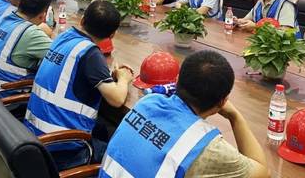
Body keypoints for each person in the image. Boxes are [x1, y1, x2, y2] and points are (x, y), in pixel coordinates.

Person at [100, 50, 269, 178]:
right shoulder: (207, 147)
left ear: (177, 80)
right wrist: (235, 117)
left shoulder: (148, 101)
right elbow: (262, 173)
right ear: (222, 101)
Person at [24, 1, 134, 171]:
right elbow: (117, 99)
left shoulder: (64, 37)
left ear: (82, 21)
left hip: (33, 133)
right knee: (124, 157)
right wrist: (124, 79)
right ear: (112, 35)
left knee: (102, 128)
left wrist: (106, 76)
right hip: (62, 148)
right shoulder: (90, 54)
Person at [0, 0, 53, 90]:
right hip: (10, 93)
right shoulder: (30, 33)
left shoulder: (5, 19)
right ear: (42, 16)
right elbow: (62, 56)